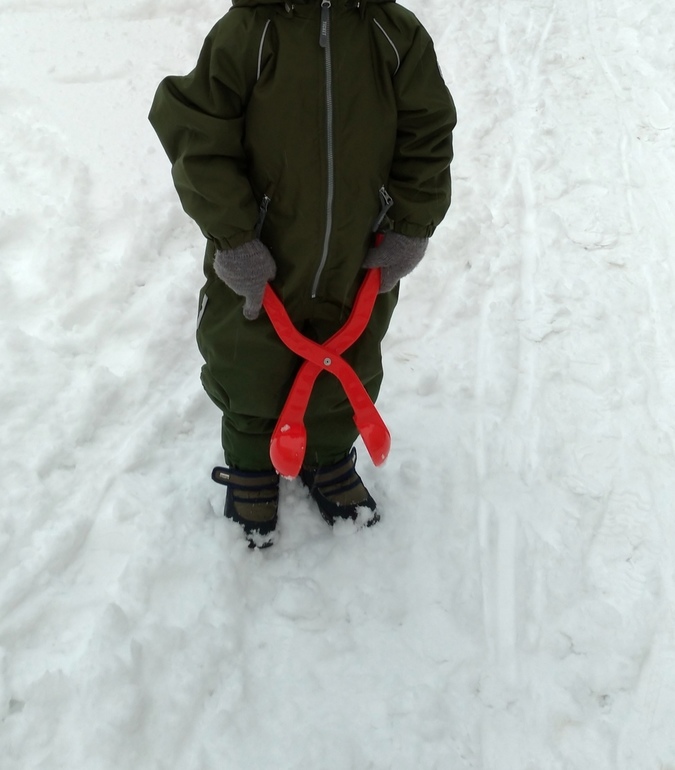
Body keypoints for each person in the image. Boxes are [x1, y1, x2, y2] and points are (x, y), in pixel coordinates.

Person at [149, 0, 456, 548]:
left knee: (349, 352)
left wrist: (410, 225)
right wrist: (233, 235)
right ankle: (250, 461)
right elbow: (198, 134)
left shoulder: (393, 34)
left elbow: (427, 133)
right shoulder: (248, 32)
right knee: (247, 356)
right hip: (262, 248)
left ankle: (328, 453)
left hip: (359, 248)